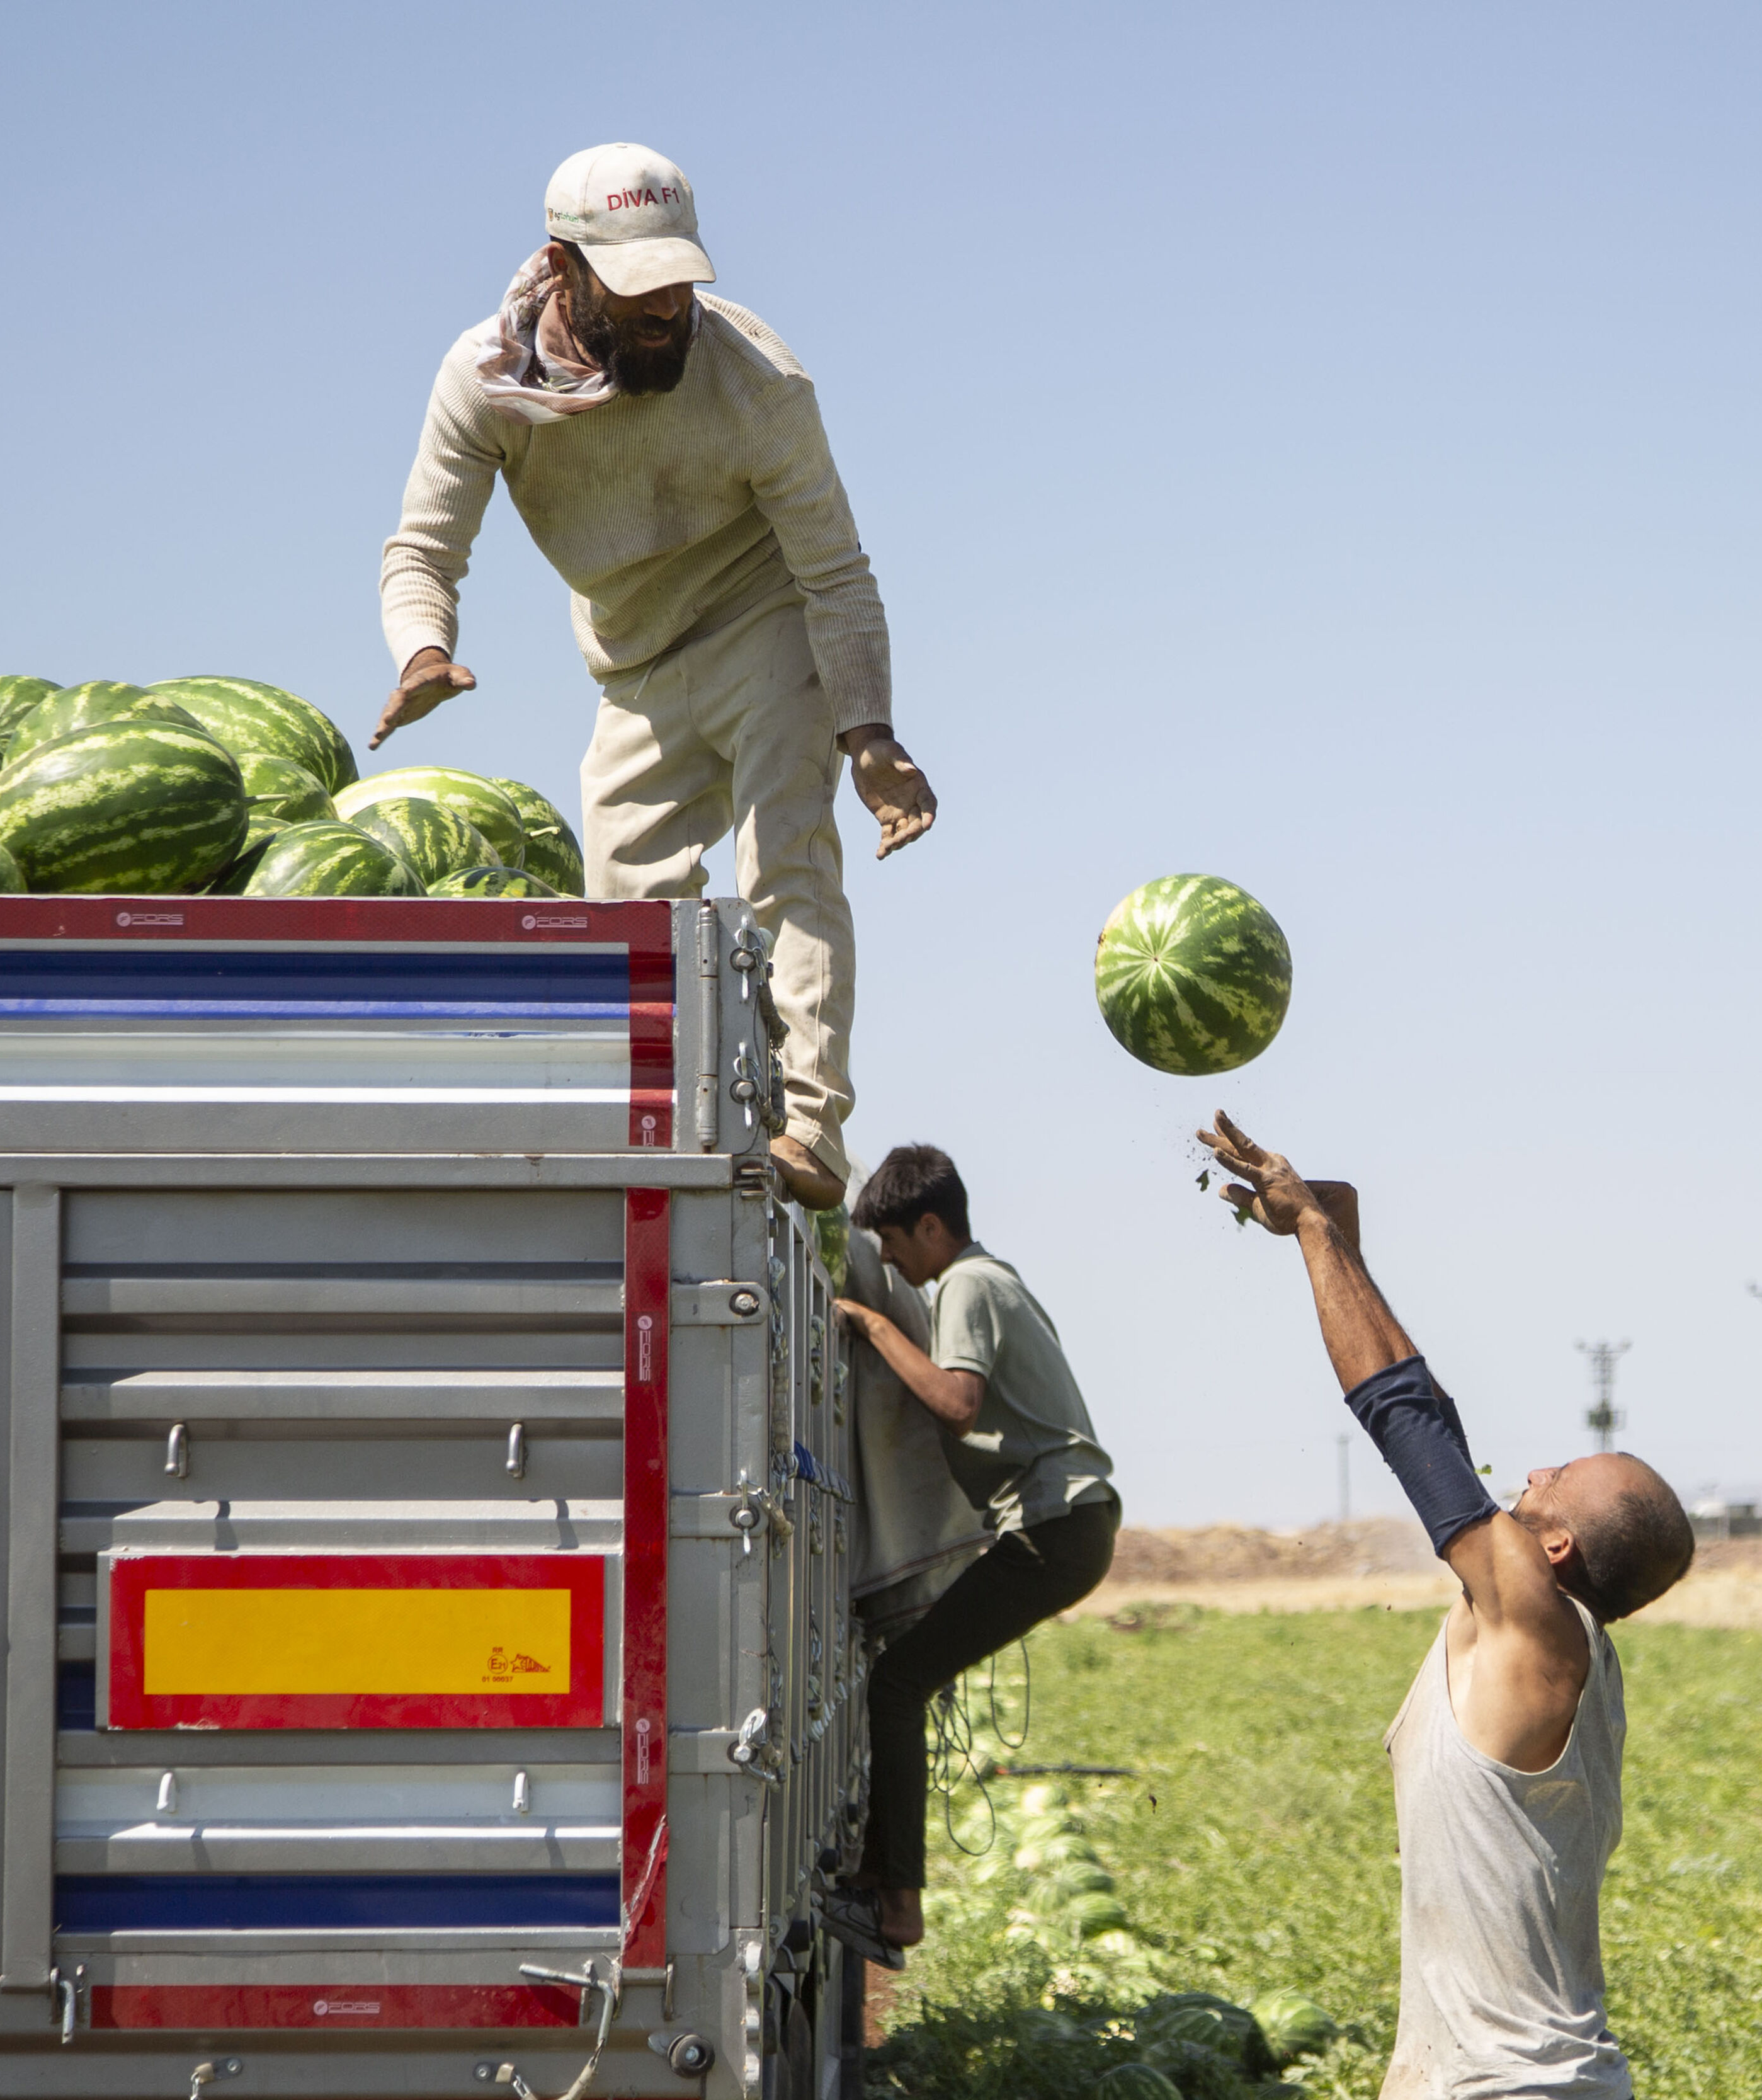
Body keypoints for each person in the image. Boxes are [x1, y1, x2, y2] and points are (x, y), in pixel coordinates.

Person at [375, 142, 935, 1211]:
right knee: (629, 912)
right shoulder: (485, 382)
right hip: (633, 663)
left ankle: (810, 1123)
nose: (668, 311)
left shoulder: (760, 381)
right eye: (640, 294)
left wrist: (868, 731)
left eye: (681, 284)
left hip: (766, 617)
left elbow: (836, 572)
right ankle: (670, 1131)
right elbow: (421, 550)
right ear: (564, 269)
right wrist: (423, 647)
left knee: (787, 856)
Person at [1200, 1112, 1693, 2100]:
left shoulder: (1541, 1630)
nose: (1537, 1465)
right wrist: (1342, 1245)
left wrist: (1310, 1236)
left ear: (1554, 1548)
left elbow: (1410, 1426)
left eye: (1559, 1476)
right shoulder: (1531, 1632)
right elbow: (1435, 1418)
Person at [831, 1144, 1118, 1946]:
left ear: (931, 1224)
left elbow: (956, 1402)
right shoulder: (994, 1279)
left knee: (895, 1683)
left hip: (1055, 1526)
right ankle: (887, 1884)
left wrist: (874, 1323)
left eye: (891, 1241)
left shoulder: (968, 1284)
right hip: (1069, 1525)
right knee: (902, 1678)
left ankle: (897, 1903)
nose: (886, 1258)